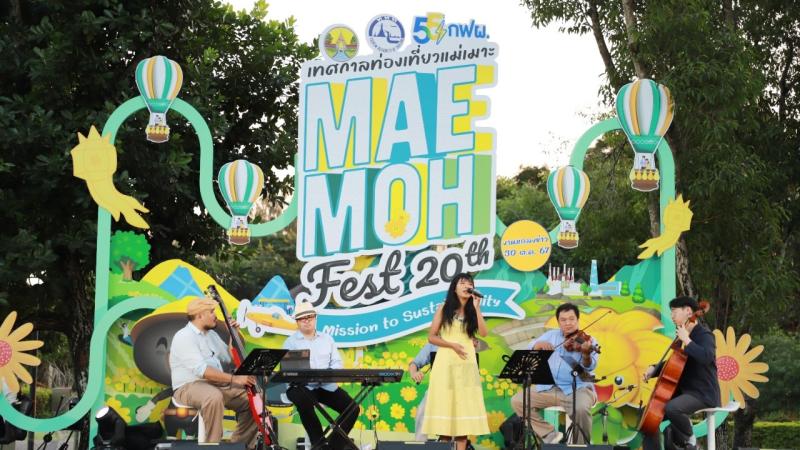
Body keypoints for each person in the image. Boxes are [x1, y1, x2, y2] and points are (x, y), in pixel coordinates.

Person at [169, 297, 258, 448]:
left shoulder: (212, 335)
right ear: (199, 315)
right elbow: (202, 371)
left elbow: (230, 356)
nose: (215, 315)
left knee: (253, 399)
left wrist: (234, 335)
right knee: (213, 396)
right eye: (211, 312)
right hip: (188, 387)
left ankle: (239, 446)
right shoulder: (184, 336)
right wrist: (235, 379)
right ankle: (212, 445)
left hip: (216, 384)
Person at [510, 303, 598, 445]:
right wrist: (537, 345)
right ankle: (549, 434)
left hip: (578, 389)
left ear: (577, 320)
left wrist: (586, 354)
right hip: (550, 388)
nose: (568, 323)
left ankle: (581, 445)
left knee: (581, 408)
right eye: (563, 320)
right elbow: (530, 347)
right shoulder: (551, 335)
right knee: (518, 401)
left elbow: (590, 366)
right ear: (558, 322)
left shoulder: (588, 340)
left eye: (571, 319)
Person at [421, 273, 489, 450]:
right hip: (446, 362)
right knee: (445, 426)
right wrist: (452, 345)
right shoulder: (444, 308)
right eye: (462, 283)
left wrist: (477, 308)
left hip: (466, 365)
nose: (467, 286)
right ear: (454, 288)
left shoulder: (473, 311)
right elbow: (432, 337)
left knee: (463, 427)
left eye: (469, 283)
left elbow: (484, 333)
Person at [642, 296, 720, 450]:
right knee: (649, 420)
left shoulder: (704, 335)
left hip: (703, 393)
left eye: (674, 311)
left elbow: (706, 357)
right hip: (685, 392)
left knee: (672, 408)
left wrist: (687, 340)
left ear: (688, 311)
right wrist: (654, 369)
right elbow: (675, 363)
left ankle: (690, 440)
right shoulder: (681, 337)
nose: (672, 316)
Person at [283, 302, 358, 450]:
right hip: (300, 387)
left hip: (325, 385)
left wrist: (325, 376)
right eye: (302, 318)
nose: (306, 320)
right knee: (303, 401)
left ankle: (333, 447)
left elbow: (337, 363)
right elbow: (288, 372)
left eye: (309, 317)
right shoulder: (290, 342)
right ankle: (320, 445)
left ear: (315, 318)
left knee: (353, 408)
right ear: (297, 321)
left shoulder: (327, 339)